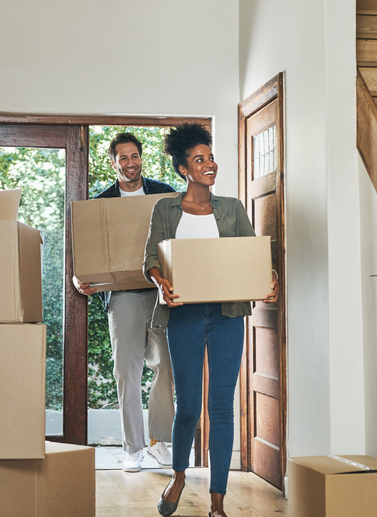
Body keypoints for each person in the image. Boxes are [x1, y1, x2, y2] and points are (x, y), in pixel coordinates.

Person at [143, 123, 278, 517]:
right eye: (199, 159)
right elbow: (151, 257)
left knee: (221, 405)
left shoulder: (231, 208)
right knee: (187, 405)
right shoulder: (165, 209)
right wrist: (159, 281)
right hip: (183, 313)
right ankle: (180, 475)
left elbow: (254, 256)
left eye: (211, 158)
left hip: (227, 316)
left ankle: (217, 502)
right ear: (184, 169)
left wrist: (266, 278)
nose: (209, 164)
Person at [73, 132, 176, 472]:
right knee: (126, 372)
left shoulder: (165, 195)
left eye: (135, 156)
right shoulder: (101, 203)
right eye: (123, 158)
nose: (130, 163)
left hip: (161, 291)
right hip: (123, 296)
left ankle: (159, 440)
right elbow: (85, 253)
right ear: (113, 162)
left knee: (165, 367)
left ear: (141, 158)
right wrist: (80, 276)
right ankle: (133, 447)